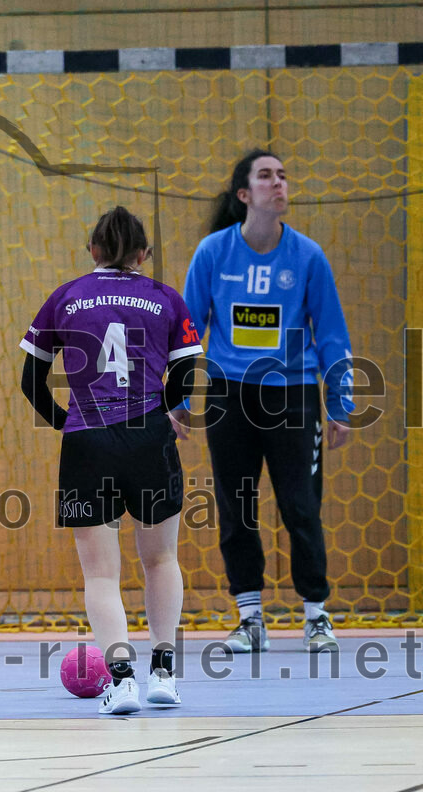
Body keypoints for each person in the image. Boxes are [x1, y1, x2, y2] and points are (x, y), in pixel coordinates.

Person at [20, 206, 203, 715]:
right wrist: (164, 413)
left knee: (100, 575)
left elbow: (29, 380)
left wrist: (67, 424)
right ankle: (163, 675)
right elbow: (187, 375)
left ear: (94, 251)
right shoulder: (165, 298)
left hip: (87, 441)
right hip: (148, 436)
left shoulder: (66, 298)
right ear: (143, 254)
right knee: (161, 559)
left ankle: (119, 682)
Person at [174, 149, 354, 654]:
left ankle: (316, 615)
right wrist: (180, 397)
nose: (279, 184)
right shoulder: (213, 253)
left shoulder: (307, 256)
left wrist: (339, 404)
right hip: (229, 394)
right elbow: (189, 330)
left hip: (292, 395)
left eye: (283, 176)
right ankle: (250, 618)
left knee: (301, 505)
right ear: (244, 194)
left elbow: (333, 336)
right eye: (266, 176)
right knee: (236, 507)